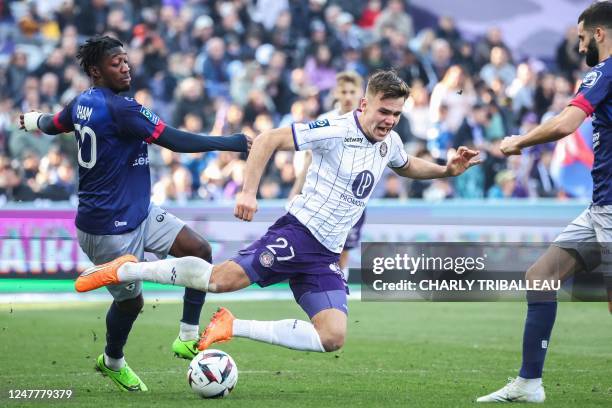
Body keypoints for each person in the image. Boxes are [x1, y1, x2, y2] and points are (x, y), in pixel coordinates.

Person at [74, 70, 480, 357]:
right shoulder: (335, 129)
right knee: (218, 281)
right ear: (364, 104)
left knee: (333, 337)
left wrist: (446, 169)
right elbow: (267, 139)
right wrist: (248, 192)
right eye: (383, 112)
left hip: (323, 255)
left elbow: (407, 164)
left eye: (396, 115)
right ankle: (126, 269)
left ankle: (232, 326)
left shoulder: (388, 142)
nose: (389, 121)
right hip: (299, 233)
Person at [20, 36, 250, 392]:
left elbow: (55, 123)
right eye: (116, 63)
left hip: (139, 212)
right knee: (132, 304)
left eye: (126, 60)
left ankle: (187, 336)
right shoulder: (121, 109)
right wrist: (230, 143)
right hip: (108, 229)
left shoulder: (83, 101)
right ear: (96, 71)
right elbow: (173, 140)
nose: (125, 67)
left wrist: (34, 120)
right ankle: (112, 361)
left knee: (199, 250)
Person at [477, 2, 612, 402]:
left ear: (599, 34)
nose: (581, 43)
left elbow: (567, 123)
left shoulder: (604, 72)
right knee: (540, 276)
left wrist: (518, 141)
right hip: (599, 207)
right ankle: (529, 382)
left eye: (583, 37)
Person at [289, 71, 365, 280]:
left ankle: (339, 291)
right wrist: (296, 190)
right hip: (324, 197)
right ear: (336, 93)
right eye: (344, 91)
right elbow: (309, 159)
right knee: (320, 250)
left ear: (360, 93)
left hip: (352, 200)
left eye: (352, 91)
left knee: (344, 252)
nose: (348, 96)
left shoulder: (367, 122)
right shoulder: (325, 120)